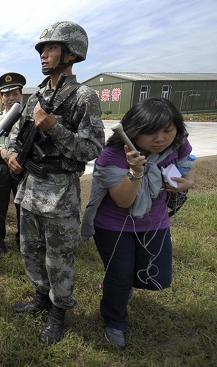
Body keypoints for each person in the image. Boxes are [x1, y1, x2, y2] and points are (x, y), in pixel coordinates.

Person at [7, 21, 105, 344]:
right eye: (42, 50)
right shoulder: (37, 95)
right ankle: (39, 297)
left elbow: (92, 148)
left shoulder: (83, 97)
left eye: (50, 49)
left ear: (71, 54)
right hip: (31, 186)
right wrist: (10, 153)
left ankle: (57, 312)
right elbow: (17, 134)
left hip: (61, 192)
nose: (43, 55)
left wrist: (53, 128)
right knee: (29, 250)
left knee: (59, 258)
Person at [82, 97, 195, 350]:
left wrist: (188, 182)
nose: (160, 139)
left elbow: (188, 165)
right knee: (121, 277)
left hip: (155, 222)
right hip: (113, 225)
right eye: (150, 132)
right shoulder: (113, 155)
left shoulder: (176, 144)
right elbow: (123, 201)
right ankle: (114, 321)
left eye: (167, 130)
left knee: (158, 278)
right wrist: (135, 172)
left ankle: (115, 284)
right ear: (133, 130)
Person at [0, 73, 24, 258]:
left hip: (21, 168)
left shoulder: (28, 118)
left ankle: (22, 241)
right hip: (1, 167)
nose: (10, 98)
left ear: (21, 94)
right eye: (6, 94)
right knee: (0, 207)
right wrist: (3, 152)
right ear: (0, 97)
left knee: (22, 207)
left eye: (14, 93)